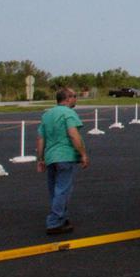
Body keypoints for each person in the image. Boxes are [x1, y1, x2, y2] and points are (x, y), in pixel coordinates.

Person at [35, 87, 89, 235]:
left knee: (55, 190)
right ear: (67, 99)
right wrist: (83, 154)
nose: (76, 99)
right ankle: (54, 222)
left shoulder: (47, 115)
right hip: (65, 156)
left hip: (51, 157)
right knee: (63, 190)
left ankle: (62, 218)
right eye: (74, 96)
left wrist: (40, 159)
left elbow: (40, 138)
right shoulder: (69, 113)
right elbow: (73, 134)